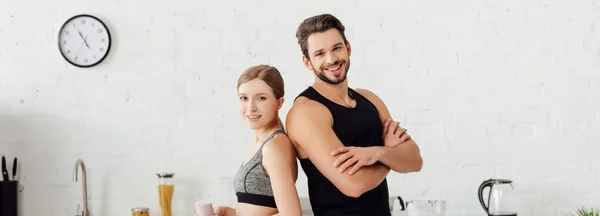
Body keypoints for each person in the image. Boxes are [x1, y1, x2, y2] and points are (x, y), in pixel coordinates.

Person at [285, 14, 424, 216]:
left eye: (336, 48)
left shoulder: (369, 99)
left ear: (348, 48)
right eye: (320, 54)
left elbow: (414, 160)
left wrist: (377, 153)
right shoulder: (305, 112)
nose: (331, 59)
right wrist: (390, 153)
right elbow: (354, 185)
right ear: (307, 62)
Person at [210, 65, 303, 216]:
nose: (250, 107)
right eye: (244, 98)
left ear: (279, 103)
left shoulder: (274, 145)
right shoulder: (262, 143)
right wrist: (228, 212)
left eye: (261, 98)